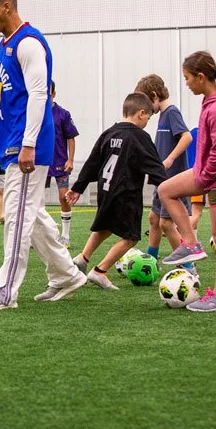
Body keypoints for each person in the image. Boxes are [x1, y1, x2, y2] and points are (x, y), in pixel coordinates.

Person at [0, 0, 87, 310]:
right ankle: (66, 274)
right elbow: (11, 99)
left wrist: (28, 144)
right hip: (12, 143)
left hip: (28, 146)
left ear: (7, 6)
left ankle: (5, 292)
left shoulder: (29, 43)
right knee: (30, 213)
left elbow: (39, 96)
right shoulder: (4, 45)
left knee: (17, 217)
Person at [159, 51, 216, 312]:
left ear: (200, 76)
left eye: (187, 78)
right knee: (166, 190)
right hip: (210, 173)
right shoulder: (211, 102)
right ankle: (190, 243)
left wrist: (204, 178)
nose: (185, 83)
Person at [66, 93, 168, 290]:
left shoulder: (109, 132)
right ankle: (100, 271)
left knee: (105, 226)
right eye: (148, 117)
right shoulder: (140, 137)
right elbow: (155, 167)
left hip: (105, 190)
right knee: (130, 237)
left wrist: (78, 187)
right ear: (141, 113)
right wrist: (169, 189)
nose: (147, 122)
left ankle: (82, 258)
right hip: (126, 194)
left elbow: (92, 162)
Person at [134, 74, 194, 268]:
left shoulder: (172, 113)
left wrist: (170, 158)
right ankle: (151, 260)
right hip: (161, 181)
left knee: (167, 224)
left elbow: (187, 137)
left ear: (154, 95)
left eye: (146, 103)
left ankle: (188, 266)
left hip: (174, 182)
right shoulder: (161, 116)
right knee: (154, 218)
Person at [47, 85, 78, 246]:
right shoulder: (34, 112)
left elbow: (71, 137)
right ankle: (37, 236)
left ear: (54, 93)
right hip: (40, 162)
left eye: (48, 92)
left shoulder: (63, 114)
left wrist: (70, 160)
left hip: (59, 161)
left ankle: (65, 235)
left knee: (63, 197)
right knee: (36, 201)